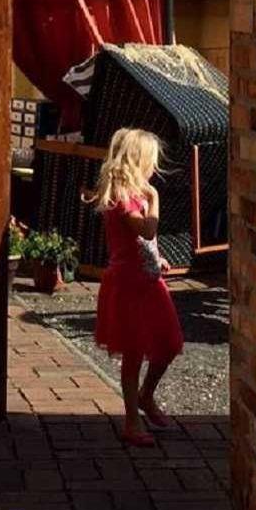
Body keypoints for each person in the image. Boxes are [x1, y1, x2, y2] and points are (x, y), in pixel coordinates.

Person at [83, 127, 184, 446]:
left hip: (149, 282)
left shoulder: (134, 196)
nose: (154, 169)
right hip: (129, 285)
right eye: (151, 162)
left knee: (169, 343)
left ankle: (146, 395)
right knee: (134, 352)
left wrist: (156, 257)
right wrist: (155, 199)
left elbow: (144, 242)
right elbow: (148, 230)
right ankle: (131, 420)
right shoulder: (124, 199)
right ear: (137, 162)